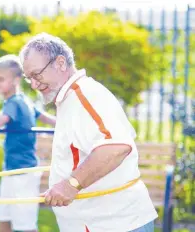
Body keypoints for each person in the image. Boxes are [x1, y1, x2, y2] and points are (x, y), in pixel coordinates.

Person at [19, 33, 158, 232]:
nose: (33, 84)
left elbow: (116, 147)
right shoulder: (69, 99)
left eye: (37, 75)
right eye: (29, 78)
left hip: (115, 225)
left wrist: (70, 185)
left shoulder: (85, 96)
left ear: (60, 63)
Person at [0, 54, 56, 232]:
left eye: (1, 79)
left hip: (23, 174)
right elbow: (47, 118)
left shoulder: (14, 103)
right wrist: (61, 122)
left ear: (16, 80)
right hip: (11, 170)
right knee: (5, 220)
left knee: (26, 225)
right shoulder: (24, 100)